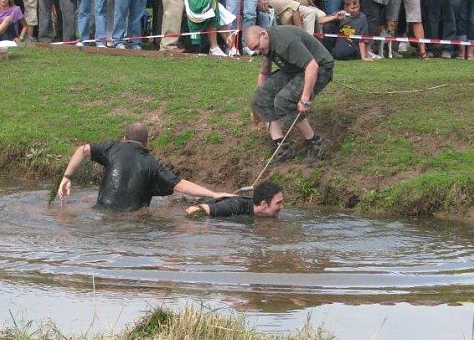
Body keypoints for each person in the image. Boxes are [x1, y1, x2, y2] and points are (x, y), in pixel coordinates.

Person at [57, 123, 234, 211]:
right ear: (146, 143)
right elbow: (179, 184)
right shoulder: (152, 164)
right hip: (132, 221)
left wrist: (67, 178)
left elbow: (83, 149)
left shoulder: (112, 148)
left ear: (124, 138)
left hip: (101, 212)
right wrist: (213, 194)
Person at [244, 24, 331, 166]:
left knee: (283, 102)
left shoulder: (285, 41)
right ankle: (282, 147)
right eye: (253, 49)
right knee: (259, 98)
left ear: (263, 35)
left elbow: (312, 66)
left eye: (256, 46)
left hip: (320, 68)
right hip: (294, 69)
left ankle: (315, 143)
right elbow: (264, 73)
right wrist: (256, 108)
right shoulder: (266, 45)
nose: (257, 50)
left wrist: (305, 98)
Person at [185, 181, 284, 217]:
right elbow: (195, 210)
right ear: (264, 205)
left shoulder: (260, 214)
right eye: (278, 203)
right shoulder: (234, 206)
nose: (282, 207)